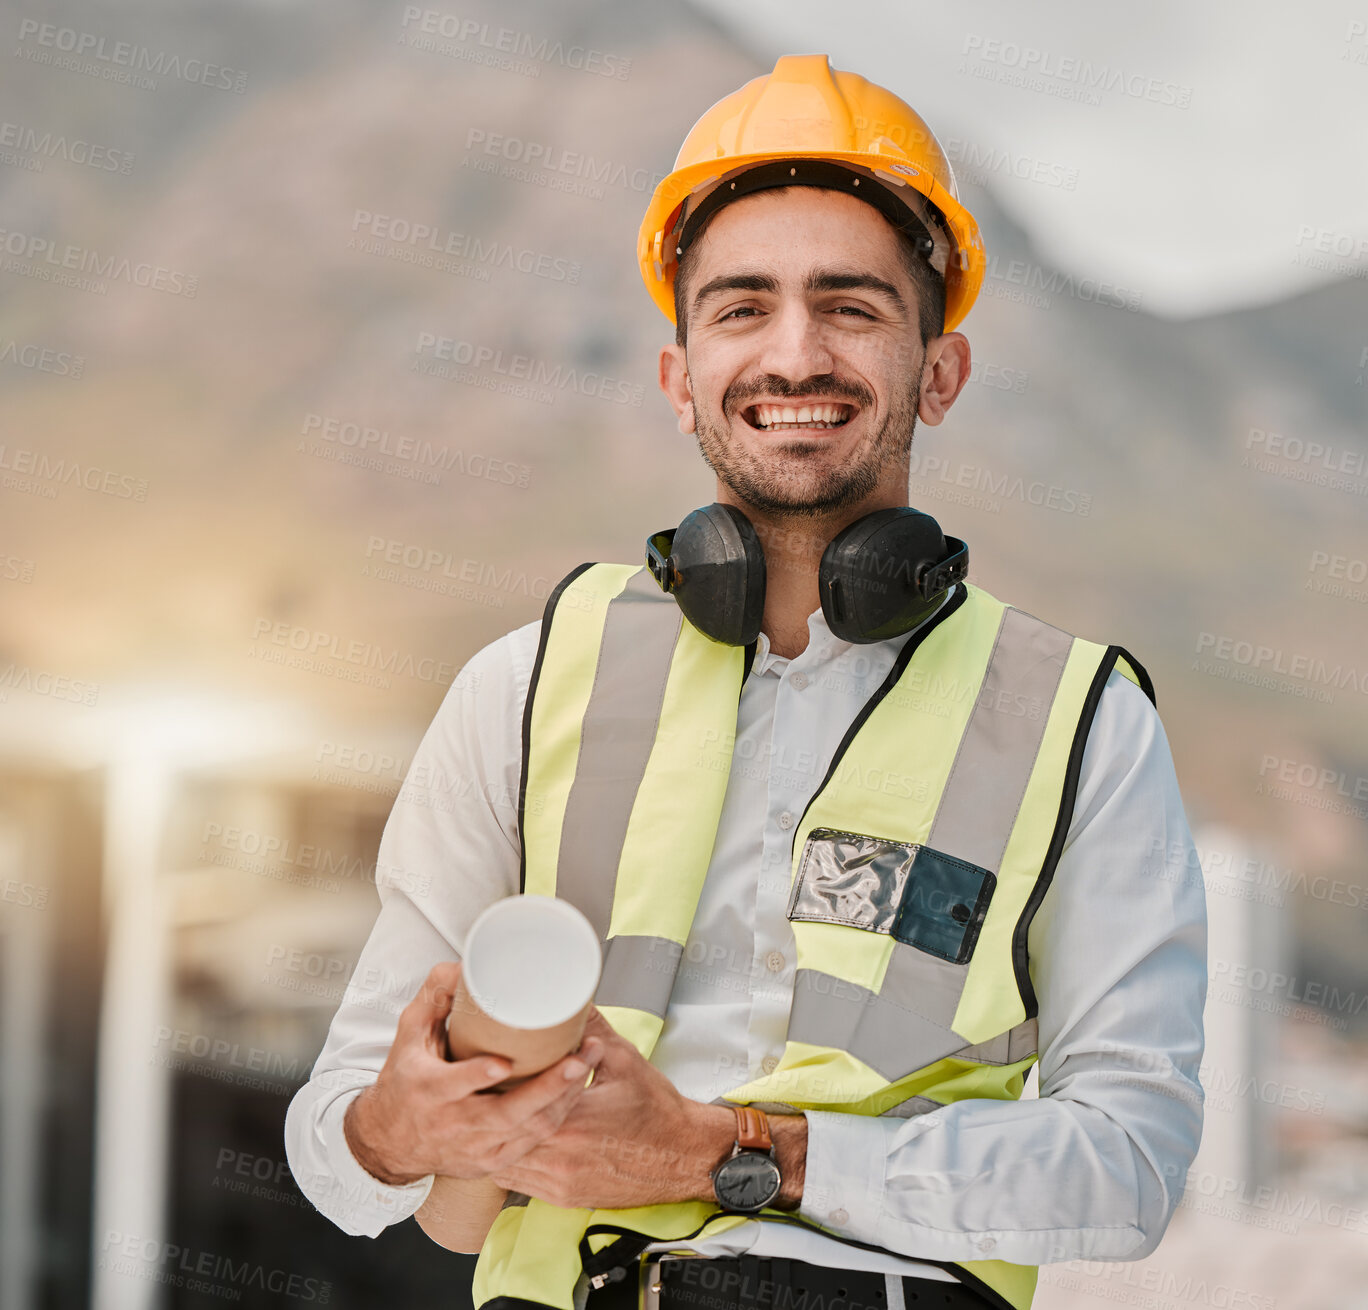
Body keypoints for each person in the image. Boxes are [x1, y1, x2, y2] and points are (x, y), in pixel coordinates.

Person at [286, 54, 1207, 1310]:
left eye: (851, 306)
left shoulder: (1080, 721)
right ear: (679, 381)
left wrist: (734, 1152)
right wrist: (400, 1128)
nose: (794, 353)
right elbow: (335, 1146)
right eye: (739, 307)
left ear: (940, 371)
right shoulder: (523, 686)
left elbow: (1130, 1167)